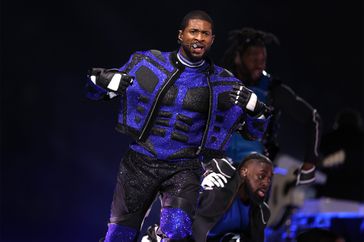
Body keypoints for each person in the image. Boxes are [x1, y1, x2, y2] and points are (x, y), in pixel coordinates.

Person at [85, 11, 270, 242]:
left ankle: (155, 238)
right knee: (119, 236)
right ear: (181, 35)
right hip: (140, 161)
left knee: (177, 231)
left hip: (184, 166)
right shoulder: (147, 63)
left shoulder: (225, 83)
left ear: (212, 40)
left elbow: (254, 132)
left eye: (205, 34)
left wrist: (257, 111)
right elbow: (95, 91)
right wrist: (100, 82)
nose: (199, 38)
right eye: (194, 31)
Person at [221, 27, 322, 185]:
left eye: (262, 59)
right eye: (253, 58)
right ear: (238, 58)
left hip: (256, 174)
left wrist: (310, 162)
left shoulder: (272, 89)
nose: (258, 64)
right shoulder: (220, 84)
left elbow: (313, 118)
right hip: (220, 170)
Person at [193, 153, 274, 242]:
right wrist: (202, 180)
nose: (266, 183)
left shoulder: (262, 212)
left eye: (269, 179)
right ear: (244, 172)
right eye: (261, 176)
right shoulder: (219, 184)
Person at [316, 108, 364, 202]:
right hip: (358, 193)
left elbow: (318, 162)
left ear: (338, 122)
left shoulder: (327, 139)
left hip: (329, 191)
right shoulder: (361, 139)